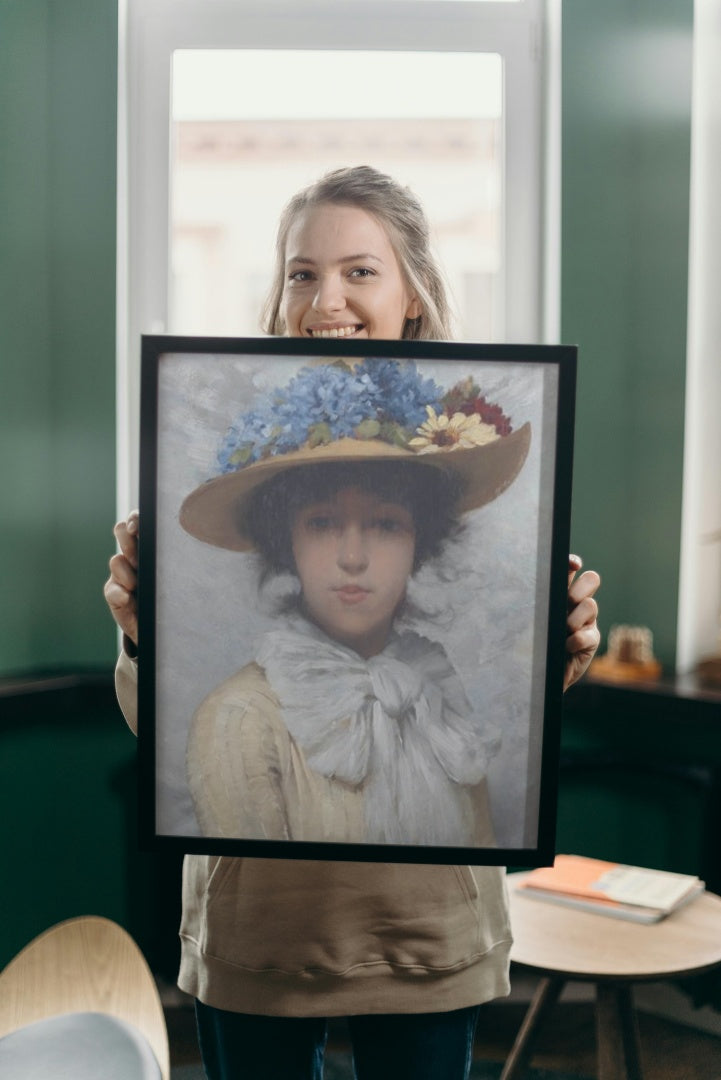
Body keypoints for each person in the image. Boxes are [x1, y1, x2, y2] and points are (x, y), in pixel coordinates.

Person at [105, 166, 601, 1080]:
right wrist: (144, 635)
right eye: (301, 273)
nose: (325, 298)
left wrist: (556, 653)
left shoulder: (438, 674)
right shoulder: (237, 711)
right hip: (264, 934)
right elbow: (165, 736)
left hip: (427, 935)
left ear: (412, 292)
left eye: (359, 271)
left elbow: (499, 760)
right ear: (282, 540)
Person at [179, 358, 531, 848]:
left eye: (386, 525)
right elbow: (261, 910)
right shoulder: (239, 718)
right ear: (288, 544)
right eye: (321, 524)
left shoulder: (432, 693)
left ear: (419, 543)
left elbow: (477, 880)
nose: (352, 558)